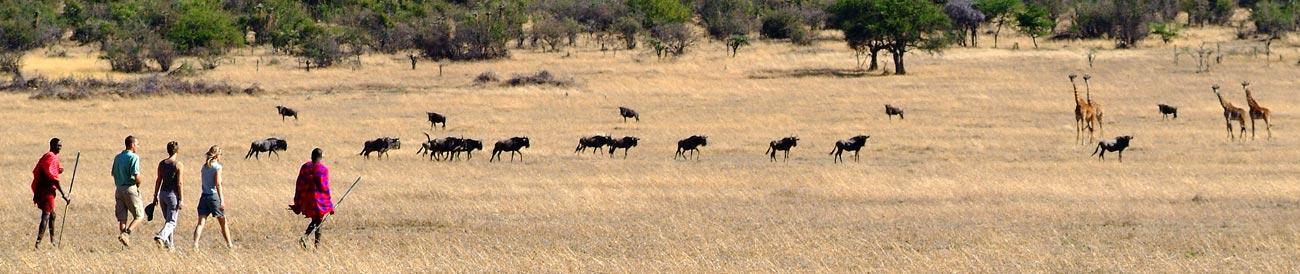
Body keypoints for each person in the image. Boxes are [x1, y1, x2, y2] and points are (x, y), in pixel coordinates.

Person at [32, 138, 71, 249]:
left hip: (44, 190)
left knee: (52, 215)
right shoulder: (51, 157)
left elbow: (49, 170)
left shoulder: (48, 156)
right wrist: (64, 195)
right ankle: (38, 243)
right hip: (46, 191)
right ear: (52, 145)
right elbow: (53, 179)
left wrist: (59, 170)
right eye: (58, 145)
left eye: (61, 146)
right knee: (46, 216)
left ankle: (52, 241)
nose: (60, 148)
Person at [291, 148, 333, 248]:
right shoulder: (323, 169)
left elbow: (299, 183)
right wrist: (329, 204)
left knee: (316, 220)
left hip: (306, 198)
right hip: (318, 200)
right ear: (321, 157)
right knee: (318, 220)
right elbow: (324, 187)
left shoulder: (305, 167)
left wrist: (298, 199)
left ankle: (312, 243)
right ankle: (311, 242)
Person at [193, 145, 232, 249]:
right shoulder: (217, 167)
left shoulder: (204, 167)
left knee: (201, 223)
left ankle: (195, 244)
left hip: (204, 196)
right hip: (213, 197)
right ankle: (229, 245)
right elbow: (218, 184)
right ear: (217, 155)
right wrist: (222, 200)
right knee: (223, 222)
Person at [112, 136, 145, 247]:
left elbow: (113, 173)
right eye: (137, 144)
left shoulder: (117, 157)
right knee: (139, 216)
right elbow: (137, 175)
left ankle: (123, 244)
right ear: (132, 145)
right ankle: (127, 234)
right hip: (130, 188)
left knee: (122, 218)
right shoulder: (134, 157)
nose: (138, 147)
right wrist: (138, 185)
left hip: (119, 189)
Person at [151, 141, 183, 249]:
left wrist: (155, 195)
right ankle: (161, 237)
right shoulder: (178, 165)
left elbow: (158, 180)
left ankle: (170, 246)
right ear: (177, 151)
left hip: (162, 195)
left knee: (168, 222)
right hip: (172, 196)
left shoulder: (161, 164)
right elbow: (179, 183)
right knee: (171, 223)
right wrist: (181, 199)